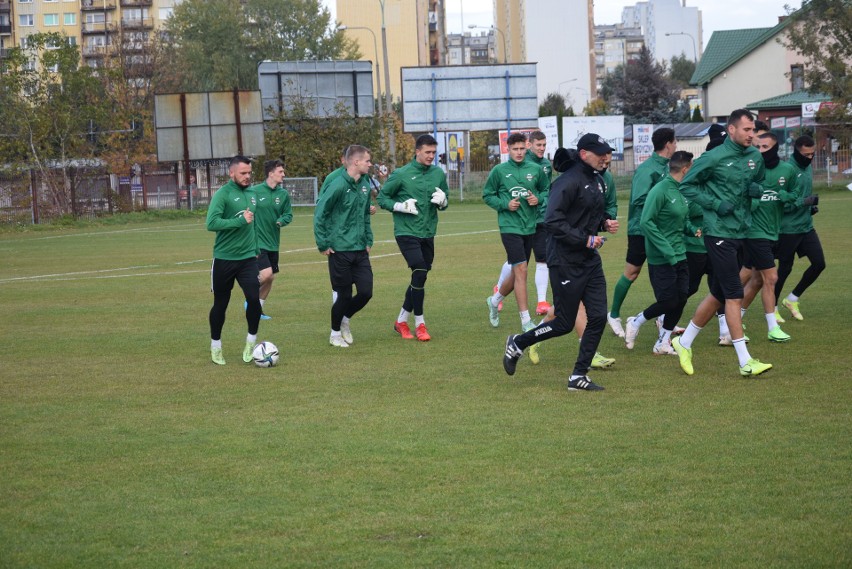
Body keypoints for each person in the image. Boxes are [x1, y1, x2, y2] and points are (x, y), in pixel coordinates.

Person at [502, 133, 619, 392]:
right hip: (564, 261)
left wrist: (603, 224)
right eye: (600, 153)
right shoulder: (566, 182)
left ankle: (578, 375)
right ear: (584, 154)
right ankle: (518, 343)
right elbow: (553, 222)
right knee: (564, 323)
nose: (605, 157)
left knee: (599, 316)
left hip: (589, 260)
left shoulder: (598, 180)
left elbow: (585, 216)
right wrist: (586, 240)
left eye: (607, 152)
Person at [672, 109, 772, 377]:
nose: (752, 135)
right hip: (718, 233)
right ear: (731, 130)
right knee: (733, 295)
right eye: (747, 130)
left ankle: (683, 342)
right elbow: (686, 186)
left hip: (742, 232)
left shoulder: (754, 157)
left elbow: (760, 183)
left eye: (754, 130)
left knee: (718, 293)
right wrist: (715, 204)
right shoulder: (714, 157)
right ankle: (745, 361)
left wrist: (757, 191)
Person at [742, 132, 817, 341]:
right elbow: (740, 199)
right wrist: (752, 199)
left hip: (773, 231)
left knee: (754, 279)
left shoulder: (787, 170)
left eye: (764, 147)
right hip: (754, 232)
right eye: (757, 147)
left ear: (775, 149)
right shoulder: (750, 171)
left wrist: (788, 197)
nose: (760, 151)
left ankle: (729, 316)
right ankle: (772, 327)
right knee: (772, 277)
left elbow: (794, 194)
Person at [624, 151, 701, 355]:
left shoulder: (680, 190)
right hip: (662, 257)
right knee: (669, 301)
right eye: (691, 167)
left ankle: (662, 342)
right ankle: (636, 321)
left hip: (680, 253)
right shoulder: (660, 190)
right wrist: (667, 250)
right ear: (685, 169)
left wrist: (692, 229)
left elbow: (681, 218)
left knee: (682, 297)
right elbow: (646, 222)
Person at [378, 134, 449, 341]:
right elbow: (383, 197)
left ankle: (401, 321)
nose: (431, 156)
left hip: (428, 232)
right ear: (417, 151)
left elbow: (445, 200)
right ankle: (420, 324)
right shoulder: (402, 174)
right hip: (406, 232)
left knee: (420, 276)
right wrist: (399, 206)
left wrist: (443, 202)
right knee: (419, 269)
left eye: (434, 153)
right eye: (427, 152)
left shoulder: (438, 173)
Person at [607, 127, 677, 338]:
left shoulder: (667, 167)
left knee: (663, 274)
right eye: (675, 142)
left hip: (660, 231)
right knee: (632, 272)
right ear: (668, 144)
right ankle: (613, 314)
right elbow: (639, 199)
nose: (677, 146)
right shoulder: (648, 169)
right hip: (640, 229)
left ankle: (663, 319)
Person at [483, 132, 549, 331]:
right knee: (521, 270)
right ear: (508, 150)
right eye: (515, 149)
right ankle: (526, 321)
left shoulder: (536, 169)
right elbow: (487, 195)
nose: (519, 152)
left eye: (522, 149)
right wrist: (504, 204)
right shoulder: (499, 171)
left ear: (526, 148)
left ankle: (494, 301)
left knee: (516, 272)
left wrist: (538, 199)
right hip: (509, 226)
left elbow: (546, 190)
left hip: (530, 226)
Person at [313, 145, 375, 348]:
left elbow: (365, 213)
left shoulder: (365, 184)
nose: (370, 164)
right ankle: (334, 334)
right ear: (356, 162)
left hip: (360, 249)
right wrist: (323, 242)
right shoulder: (337, 184)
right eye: (367, 160)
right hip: (339, 249)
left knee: (366, 292)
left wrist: (368, 239)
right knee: (344, 295)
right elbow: (320, 213)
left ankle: (345, 319)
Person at [206, 155, 261, 365]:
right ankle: (216, 346)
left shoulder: (253, 194)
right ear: (231, 173)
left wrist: (256, 249)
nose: (247, 177)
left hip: (248, 259)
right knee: (221, 304)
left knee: (254, 300)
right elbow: (211, 223)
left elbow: (253, 225)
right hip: (224, 259)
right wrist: (239, 220)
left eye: (249, 173)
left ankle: (251, 342)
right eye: (243, 173)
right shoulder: (223, 194)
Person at [774, 135, 824, 322]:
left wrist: (811, 207)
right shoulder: (787, 170)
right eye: (806, 154)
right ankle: (772, 307)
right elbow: (781, 204)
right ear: (796, 151)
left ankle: (792, 299)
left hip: (806, 227)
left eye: (812, 154)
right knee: (784, 269)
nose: (809, 158)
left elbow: (805, 195)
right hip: (787, 229)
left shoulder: (808, 167)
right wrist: (804, 202)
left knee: (819, 263)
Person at [250, 159, 293, 320]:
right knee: (266, 275)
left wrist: (282, 220)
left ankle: (257, 310)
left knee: (270, 278)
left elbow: (288, 214)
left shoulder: (283, 194)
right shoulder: (254, 191)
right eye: (280, 171)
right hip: (257, 242)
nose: (283, 174)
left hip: (273, 242)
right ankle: (250, 296)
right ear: (271, 173)